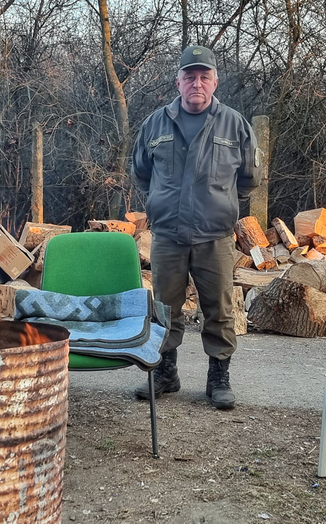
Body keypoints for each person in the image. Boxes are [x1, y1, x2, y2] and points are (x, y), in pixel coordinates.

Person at [130, 45, 261, 410]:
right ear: (178, 82)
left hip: (214, 236)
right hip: (168, 236)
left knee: (218, 309)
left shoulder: (235, 124)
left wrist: (219, 203)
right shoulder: (155, 124)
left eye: (204, 77)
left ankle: (218, 379)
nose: (197, 83)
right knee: (164, 308)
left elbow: (250, 179)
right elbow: (141, 174)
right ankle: (165, 373)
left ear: (215, 81)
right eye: (190, 77)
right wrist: (162, 200)